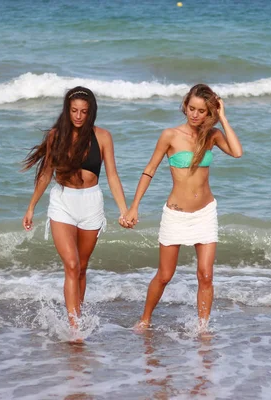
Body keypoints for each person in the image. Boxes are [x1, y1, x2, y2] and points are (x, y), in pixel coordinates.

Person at [124, 83, 242, 332]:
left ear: (209, 112)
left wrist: (223, 116)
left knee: (206, 275)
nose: (195, 115)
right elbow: (149, 171)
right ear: (185, 106)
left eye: (202, 110)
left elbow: (237, 152)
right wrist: (134, 207)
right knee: (165, 275)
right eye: (191, 108)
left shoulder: (212, 135)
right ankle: (145, 319)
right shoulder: (170, 135)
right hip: (176, 214)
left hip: (205, 212)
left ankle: (203, 328)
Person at [22, 86, 130, 328]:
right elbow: (46, 173)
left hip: (91, 203)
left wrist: (124, 210)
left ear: (91, 112)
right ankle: (74, 327)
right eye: (74, 111)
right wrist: (31, 207)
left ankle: (76, 315)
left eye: (83, 111)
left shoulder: (103, 137)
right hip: (63, 202)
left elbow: (112, 175)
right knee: (71, 264)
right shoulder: (55, 136)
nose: (79, 116)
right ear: (67, 110)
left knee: (81, 268)